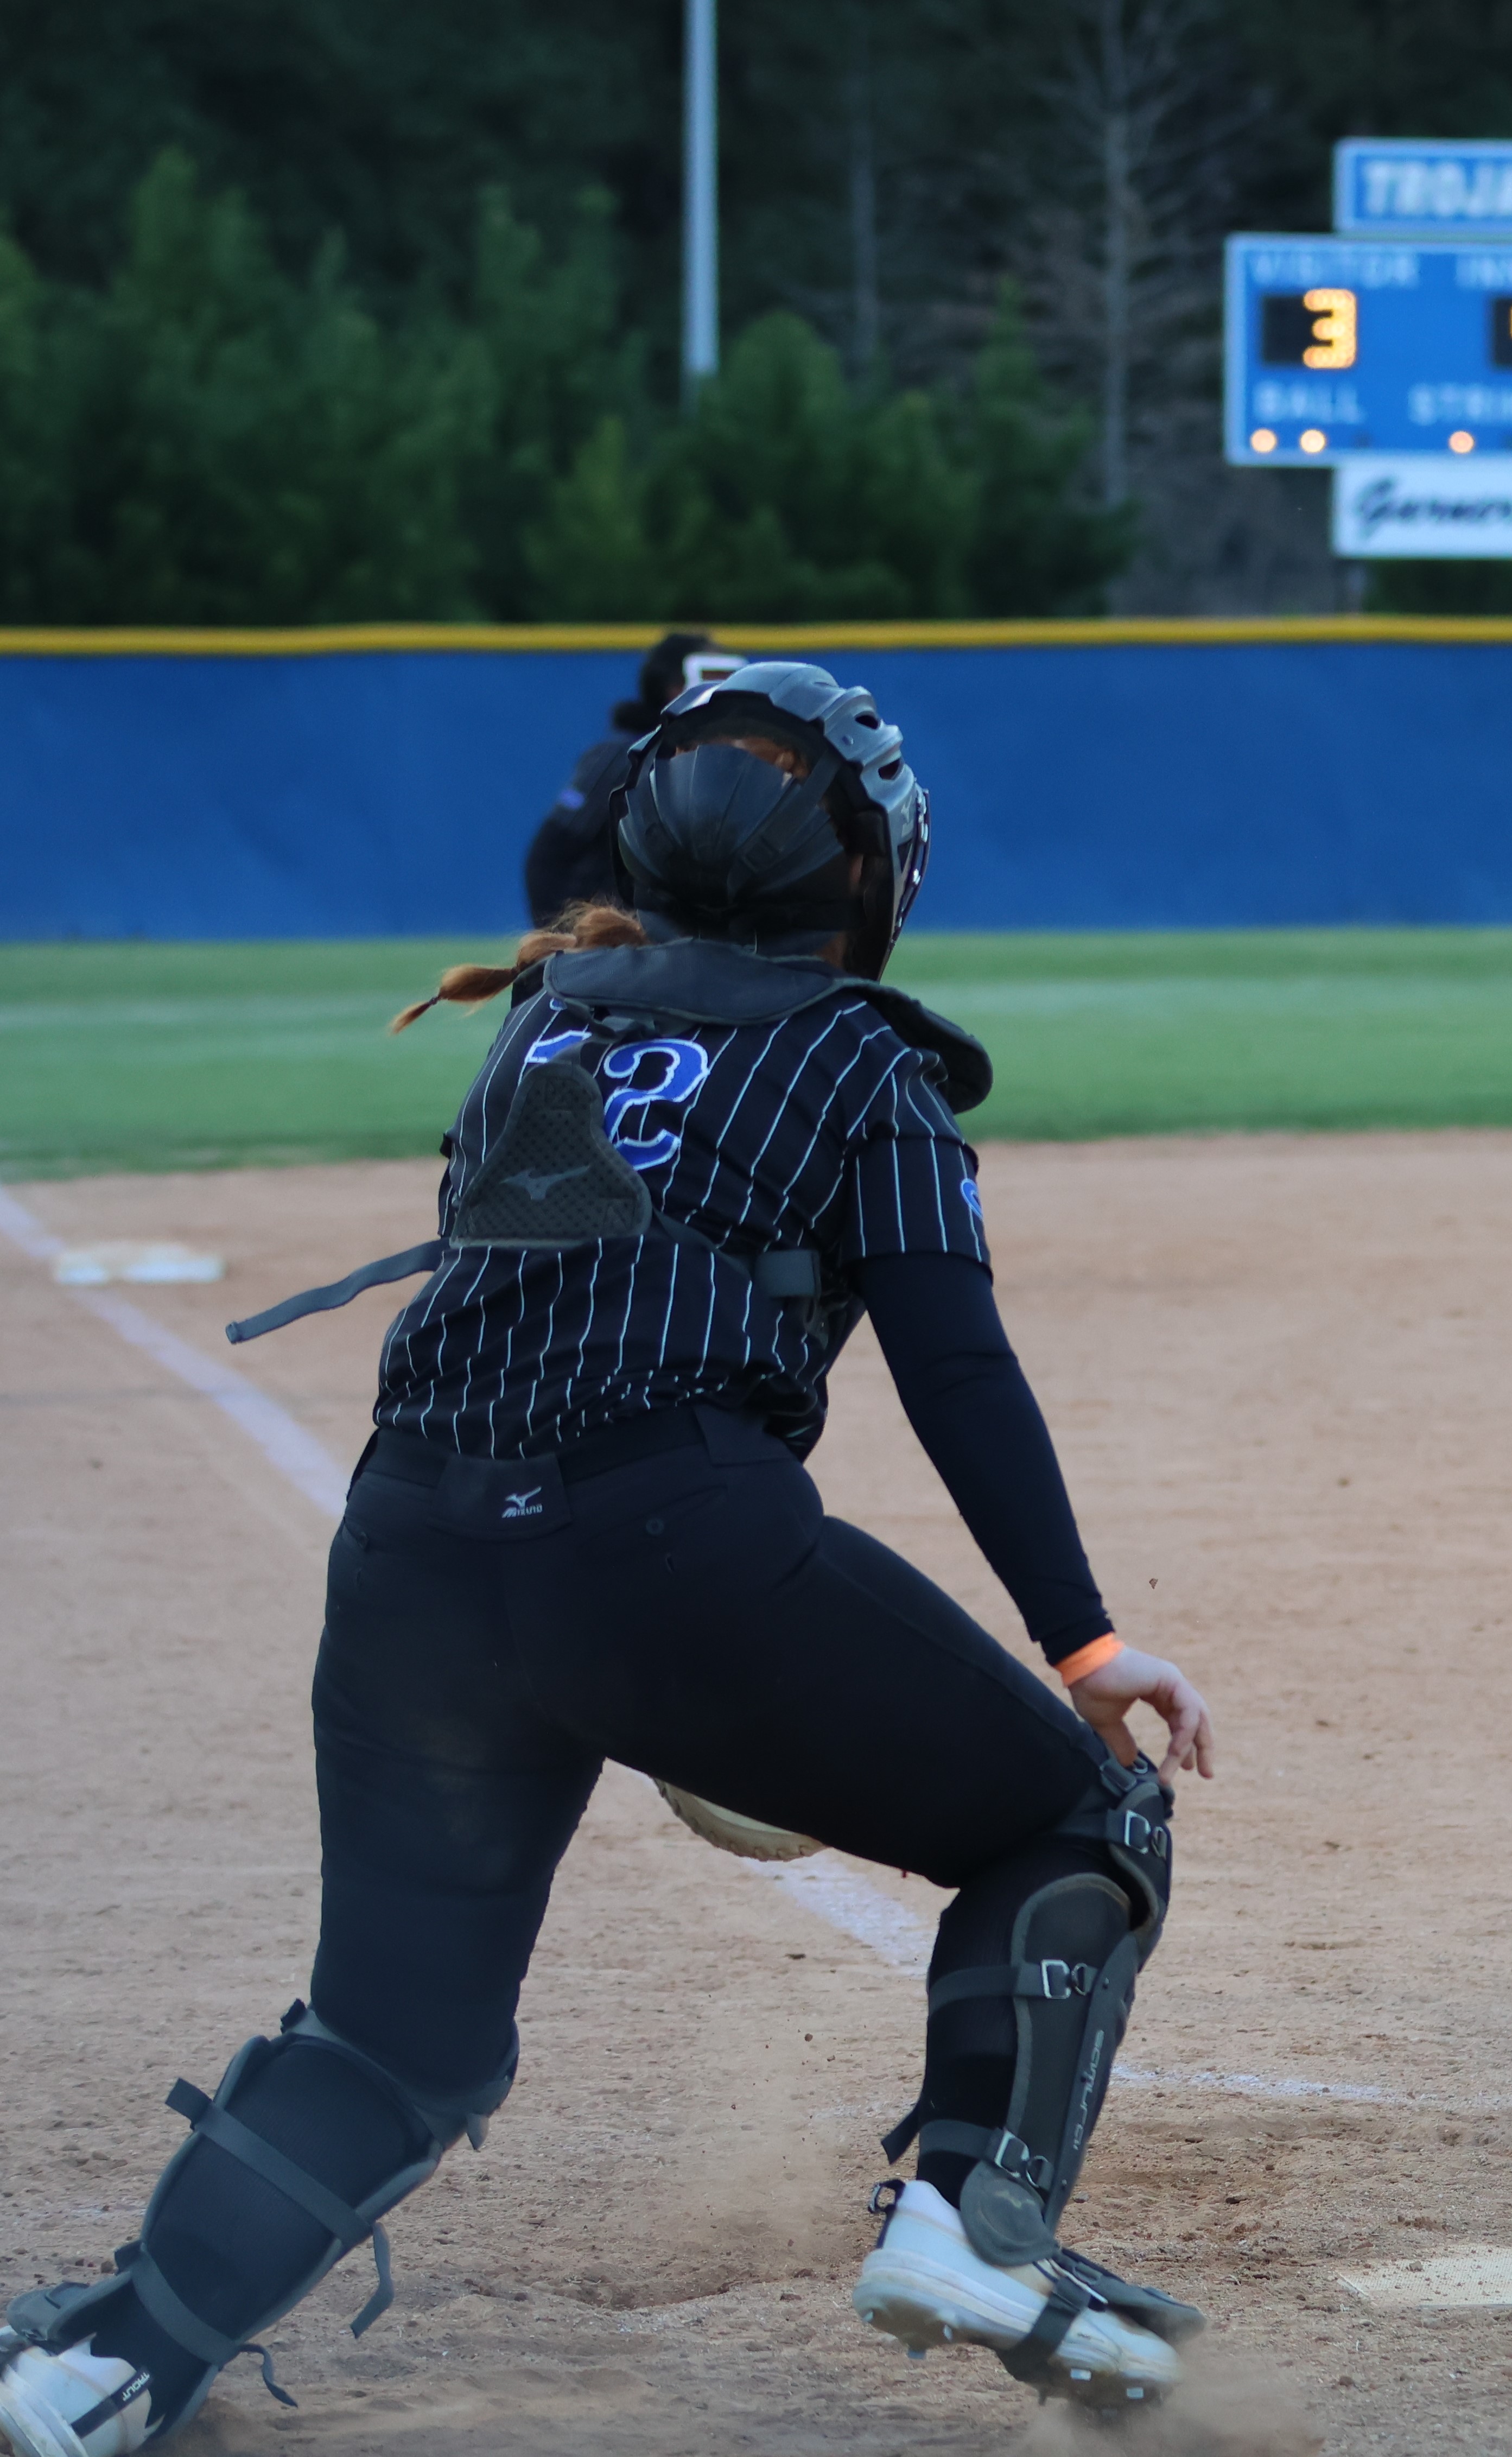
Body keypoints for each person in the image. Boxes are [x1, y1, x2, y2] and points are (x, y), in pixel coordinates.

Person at [0, 663, 1221, 2457]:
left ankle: (102, 2366)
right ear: (866, 873)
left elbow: (568, 1316)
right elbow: (955, 1369)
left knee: (393, 2035)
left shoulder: (543, 1025)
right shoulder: (859, 1057)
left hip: (414, 1551)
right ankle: (971, 2221)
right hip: (663, 1548)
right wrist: (1085, 1639)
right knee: (1082, 1817)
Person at [522, 631, 742, 924]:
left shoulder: (711, 763)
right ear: (675, 688)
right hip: (607, 928)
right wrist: (561, 934)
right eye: (712, 678)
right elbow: (550, 855)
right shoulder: (623, 756)